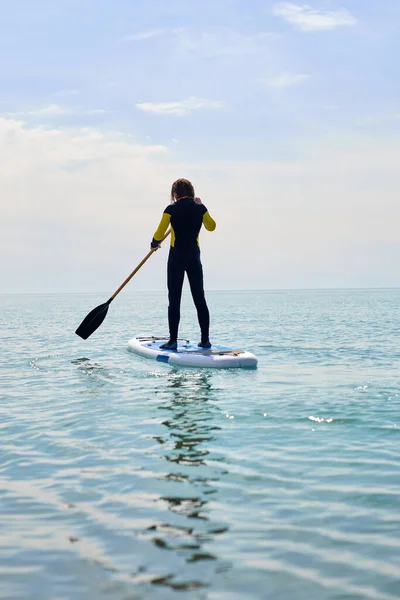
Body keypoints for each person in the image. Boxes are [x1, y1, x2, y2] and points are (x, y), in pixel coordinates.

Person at [151, 178, 216, 350]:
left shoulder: (170, 209)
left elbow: (159, 233)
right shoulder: (200, 208)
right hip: (194, 257)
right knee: (199, 298)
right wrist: (202, 206)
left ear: (175, 193)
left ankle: (173, 341)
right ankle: (205, 340)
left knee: (174, 299)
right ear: (192, 191)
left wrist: (154, 243)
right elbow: (211, 227)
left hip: (176, 258)